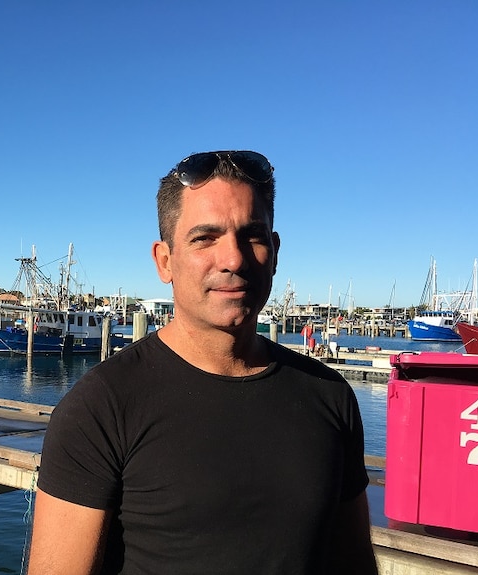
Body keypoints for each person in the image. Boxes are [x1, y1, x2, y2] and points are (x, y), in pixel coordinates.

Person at [28, 150, 377, 574]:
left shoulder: (330, 395)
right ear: (165, 260)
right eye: (204, 238)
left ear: (275, 250)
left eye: (252, 235)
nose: (233, 259)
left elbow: (354, 562)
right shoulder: (100, 409)